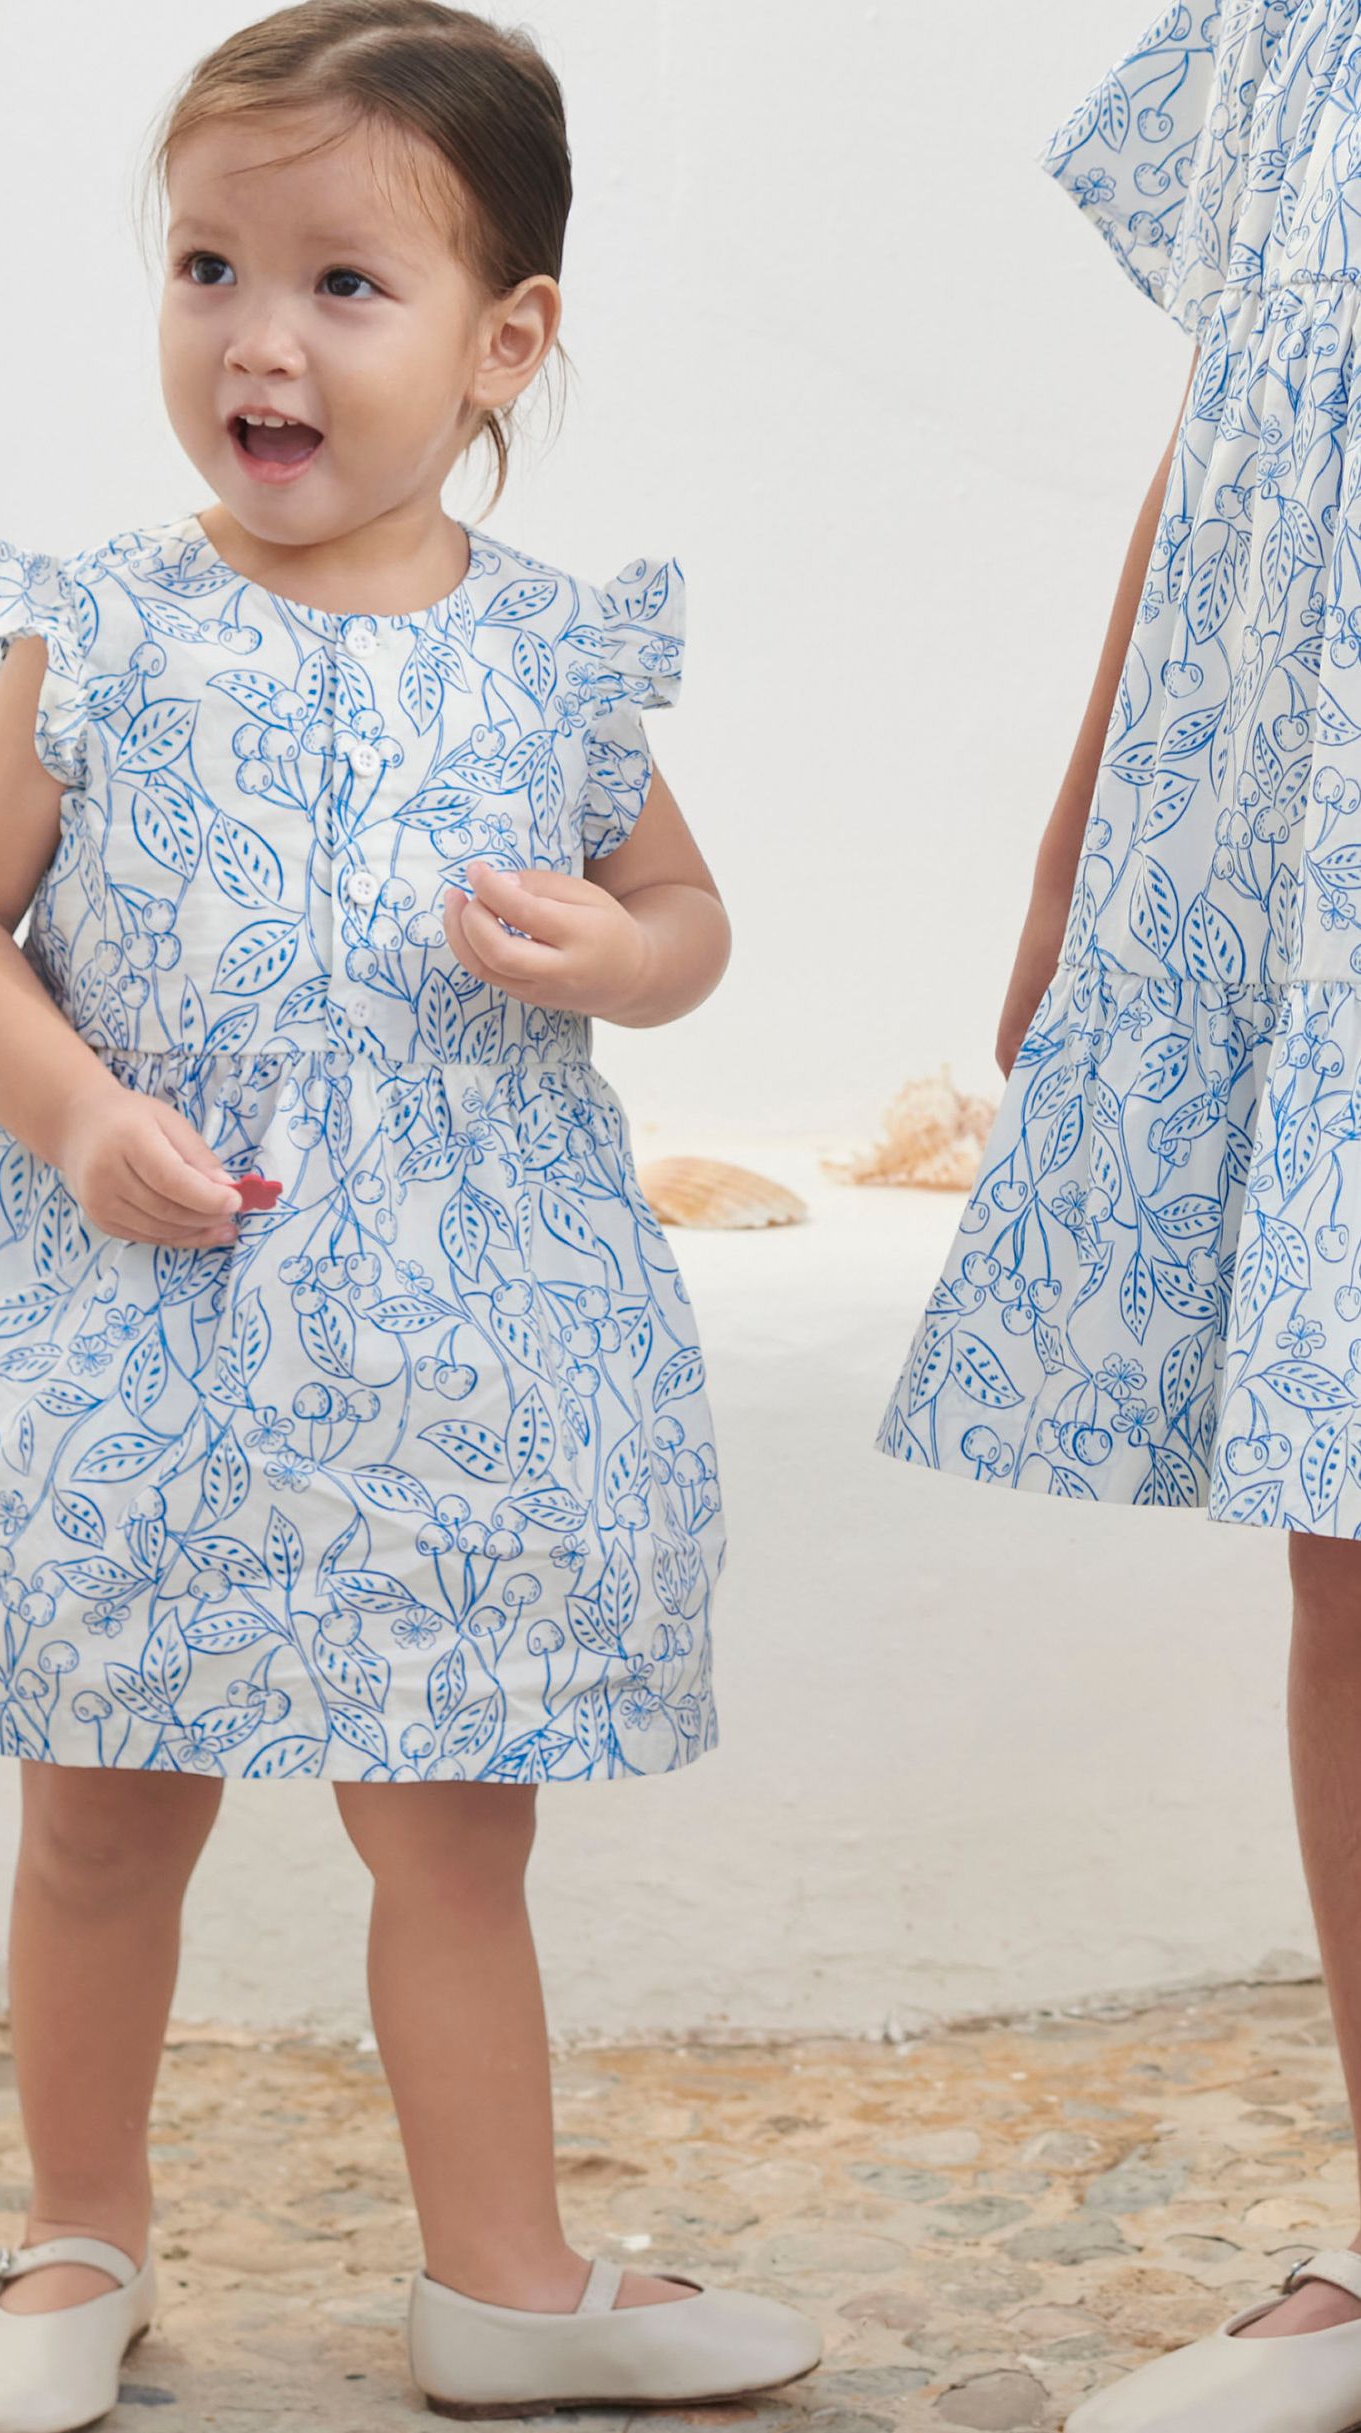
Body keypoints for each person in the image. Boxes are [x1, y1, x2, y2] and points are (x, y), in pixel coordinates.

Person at [0, 4, 825, 2427]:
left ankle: (500, 2268)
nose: (256, 335)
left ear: (505, 339)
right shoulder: (105, 630)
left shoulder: (557, 650)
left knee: (453, 1832)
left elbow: (681, 913)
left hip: (454, 1345)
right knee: (101, 1811)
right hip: (137, 1314)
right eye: (205, 264)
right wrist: (67, 1112)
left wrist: (619, 952)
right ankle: (76, 2234)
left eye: (343, 283)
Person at [884, 5, 1361, 2427]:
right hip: (1312, 854)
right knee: (1348, 1546)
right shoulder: (1284, 27)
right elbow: (1236, 413)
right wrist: (1083, 832)